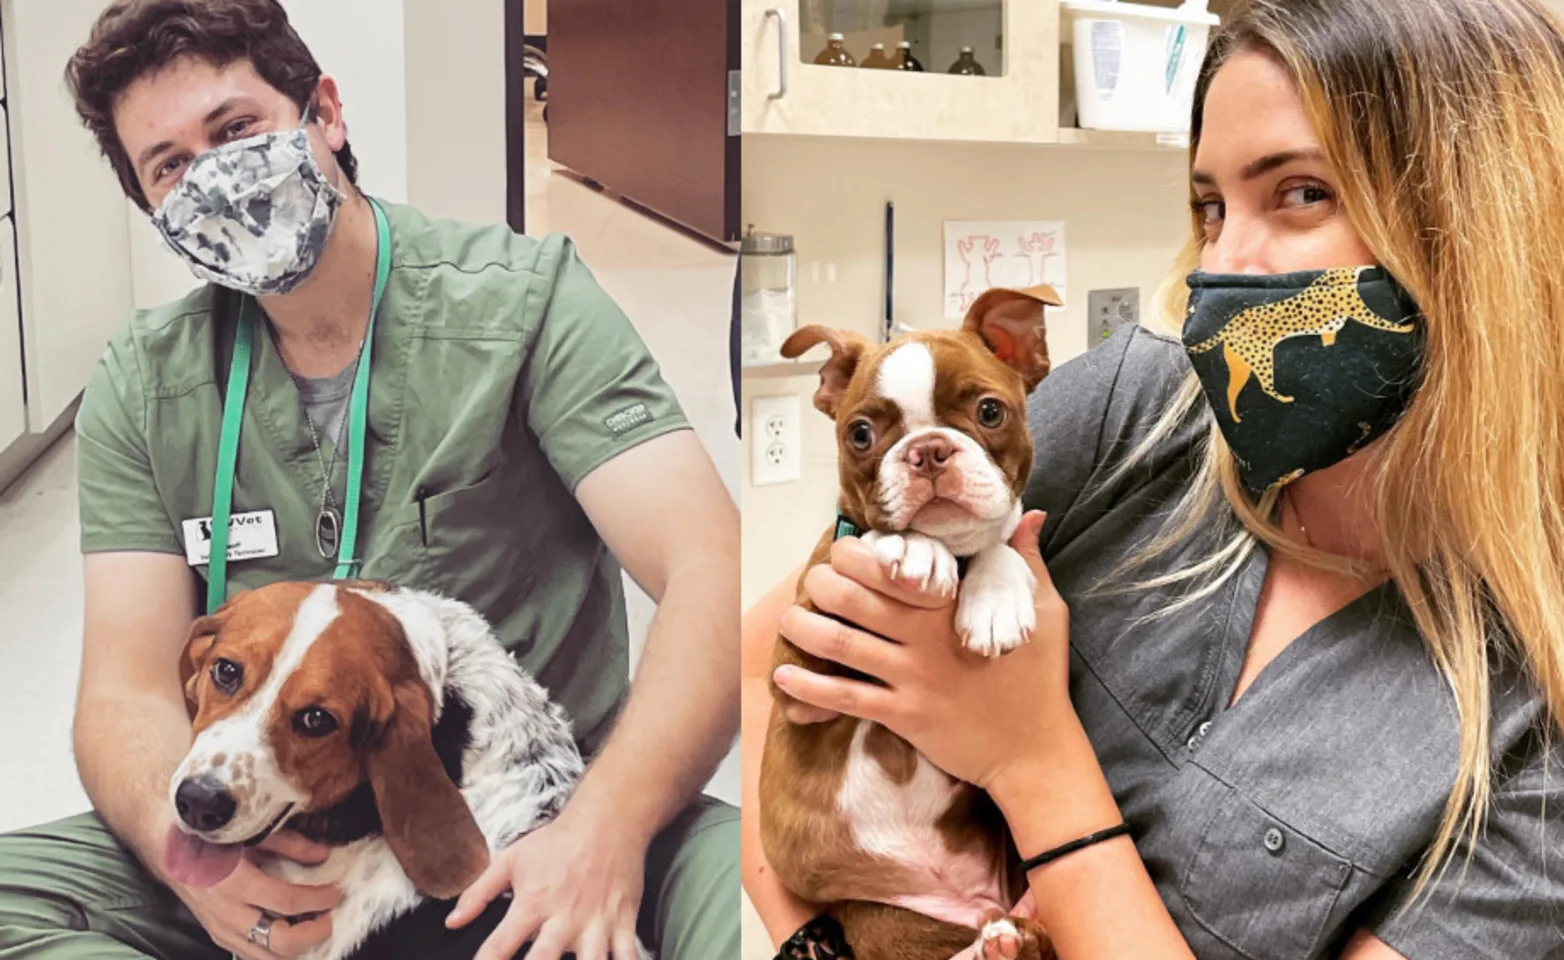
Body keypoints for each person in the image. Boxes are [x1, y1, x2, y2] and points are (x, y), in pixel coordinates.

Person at [741, 0, 1564, 957]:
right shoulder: (1136, 409)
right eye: (1210, 206)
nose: (1226, 264)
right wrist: (817, 942)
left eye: (1301, 193)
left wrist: (1030, 757)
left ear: (1495, 229)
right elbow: (767, 658)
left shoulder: (1532, 709)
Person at [0, 1, 740, 959]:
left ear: (327, 115)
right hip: (265, 832)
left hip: (546, 817)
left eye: (237, 131)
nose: (215, 179)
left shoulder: (525, 302)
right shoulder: (146, 385)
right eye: (172, 166)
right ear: (152, 210)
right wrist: (193, 862)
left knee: (763, 897)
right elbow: (123, 691)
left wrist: (607, 830)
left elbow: (712, 568)